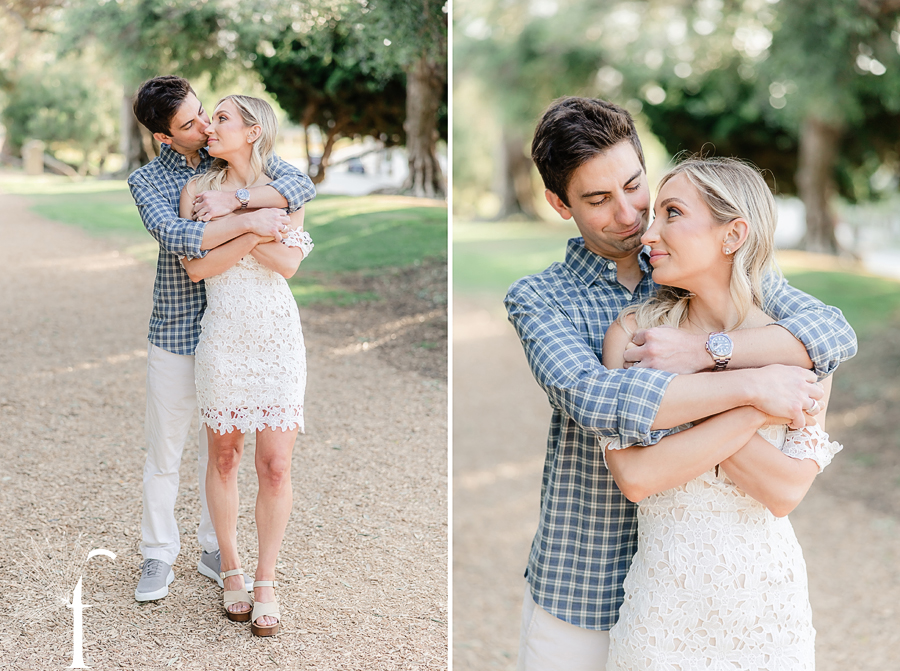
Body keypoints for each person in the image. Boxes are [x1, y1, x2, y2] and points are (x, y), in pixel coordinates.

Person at [504, 97, 858, 670]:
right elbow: (596, 399)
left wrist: (702, 352)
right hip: (585, 580)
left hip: (735, 595)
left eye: (634, 185)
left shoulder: (703, 265)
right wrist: (755, 388)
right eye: (597, 199)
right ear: (559, 203)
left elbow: (831, 334)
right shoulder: (540, 299)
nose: (629, 215)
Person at [601, 156, 842, 669]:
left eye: (672, 213)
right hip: (662, 621)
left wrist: (692, 392)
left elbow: (784, 492)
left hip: (769, 621)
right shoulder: (635, 336)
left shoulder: (798, 349)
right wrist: (757, 399)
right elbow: (638, 477)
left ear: (732, 235)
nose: (649, 234)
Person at [128, 75, 315, 603]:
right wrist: (255, 222)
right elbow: (182, 241)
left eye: (207, 113)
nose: (206, 126)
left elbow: (301, 189)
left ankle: (218, 552)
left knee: (237, 457)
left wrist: (238, 201)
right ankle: (158, 553)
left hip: (257, 330)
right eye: (191, 123)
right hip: (180, 328)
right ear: (165, 136)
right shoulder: (151, 182)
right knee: (167, 450)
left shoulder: (240, 165)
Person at [177, 94, 311, 637]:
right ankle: (231, 568)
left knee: (275, 465)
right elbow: (197, 268)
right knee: (226, 456)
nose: (210, 126)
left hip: (278, 339)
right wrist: (255, 226)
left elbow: (288, 264)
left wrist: (236, 220)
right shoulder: (196, 191)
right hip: (224, 337)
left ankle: (266, 579)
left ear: (253, 131)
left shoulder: (287, 190)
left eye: (223, 118)